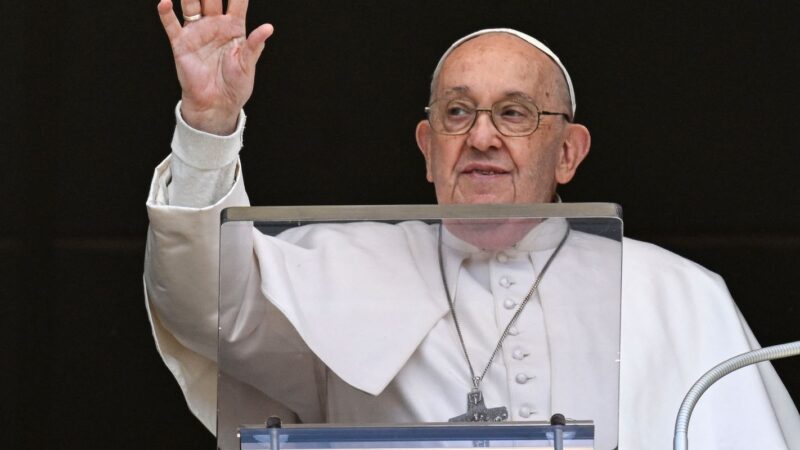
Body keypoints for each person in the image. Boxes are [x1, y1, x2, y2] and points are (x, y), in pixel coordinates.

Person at [146, 0, 800, 448]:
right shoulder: (340, 267)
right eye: (458, 114)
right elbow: (206, 306)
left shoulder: (679, 294)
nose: (482, 136)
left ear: (568, 153)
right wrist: (206, 128)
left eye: (515, 113)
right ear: (428, 149)